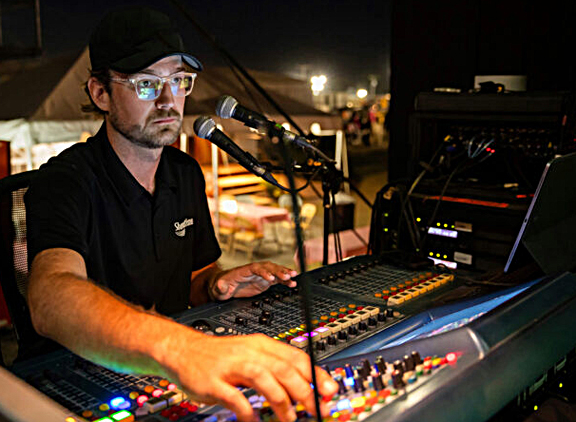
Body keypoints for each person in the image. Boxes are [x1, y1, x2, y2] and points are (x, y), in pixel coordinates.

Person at [24, 6, 337, 422]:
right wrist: (181, 348)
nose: (170, 100)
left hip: (171, 374)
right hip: (76, 390)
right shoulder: (65, 181)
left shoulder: (185, 174)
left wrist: (215, 285)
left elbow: (193, 281)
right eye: (147, 84)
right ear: (100, 93)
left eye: (178, 81)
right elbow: (50, 298)